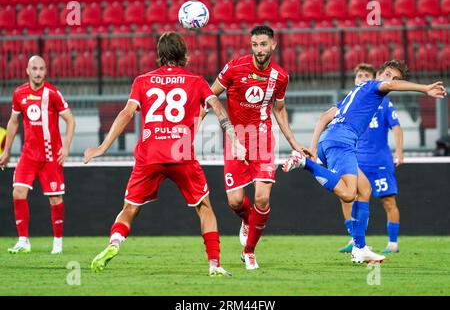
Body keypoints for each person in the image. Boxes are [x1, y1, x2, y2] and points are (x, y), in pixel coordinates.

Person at [85, 32, 245, 276]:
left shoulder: (142, 81)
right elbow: (218, 109)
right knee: (204, 208)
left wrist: (102, 147)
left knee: (129, 208)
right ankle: (214, 264)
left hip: (150, 155)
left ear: (159, 55)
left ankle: (114, 244)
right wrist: (236, 142)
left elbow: (126, 114)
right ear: (184, 54)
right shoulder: (196, 81)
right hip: (181, 154)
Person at [283, 60, 446, 263]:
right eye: (387, 75)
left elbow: (324, 117)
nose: (390, 80)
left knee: (365, 189)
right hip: (341, 141)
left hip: (331, 139)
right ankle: (305, 164)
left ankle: (359, 248)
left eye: (395, 78)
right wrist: (424, 89)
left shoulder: (357, 92)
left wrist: (314, 147)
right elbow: (392, 86)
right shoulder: (373, 86)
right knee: (349, 193)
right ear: (379, 75)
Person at [209, 25, 311, 270]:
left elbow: (279, 110)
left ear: (273, 45)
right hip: (236, 139)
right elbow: (211, 95)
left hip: (263, 140)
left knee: (262, 199)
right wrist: (193, 125)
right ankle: (248, 221)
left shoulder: (280, 76)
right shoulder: (234, 67)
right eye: (255, 45)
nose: (259, 50)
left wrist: (294, 143)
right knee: (235, 202)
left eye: (264, 44)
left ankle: (249, 251)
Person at [0, 55, 75, 254]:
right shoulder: (19, 94)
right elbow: (13, 122)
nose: (38, 72)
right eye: (34, 68)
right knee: (18, 192)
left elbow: (70, 120)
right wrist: (6, 150)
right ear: (27, 70)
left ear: (46, 71)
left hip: (50, 155)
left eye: (41, 68)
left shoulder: (52, 93)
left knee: (55, 199)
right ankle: (23, 241)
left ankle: (57, 242)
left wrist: (65, 146)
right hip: (29, 154)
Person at [338, 64, 404, 254]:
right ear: (355, 79)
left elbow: (397, 128)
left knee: (388, 201)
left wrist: (399, 151)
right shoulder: (350, 102)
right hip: (356, 160)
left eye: (367, 75)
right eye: (360, 75)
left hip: (380, 162)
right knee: (347, 198)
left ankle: (393, 244)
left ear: (374, 77)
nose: (363, 78)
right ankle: (355, 240)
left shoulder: (383, 103)